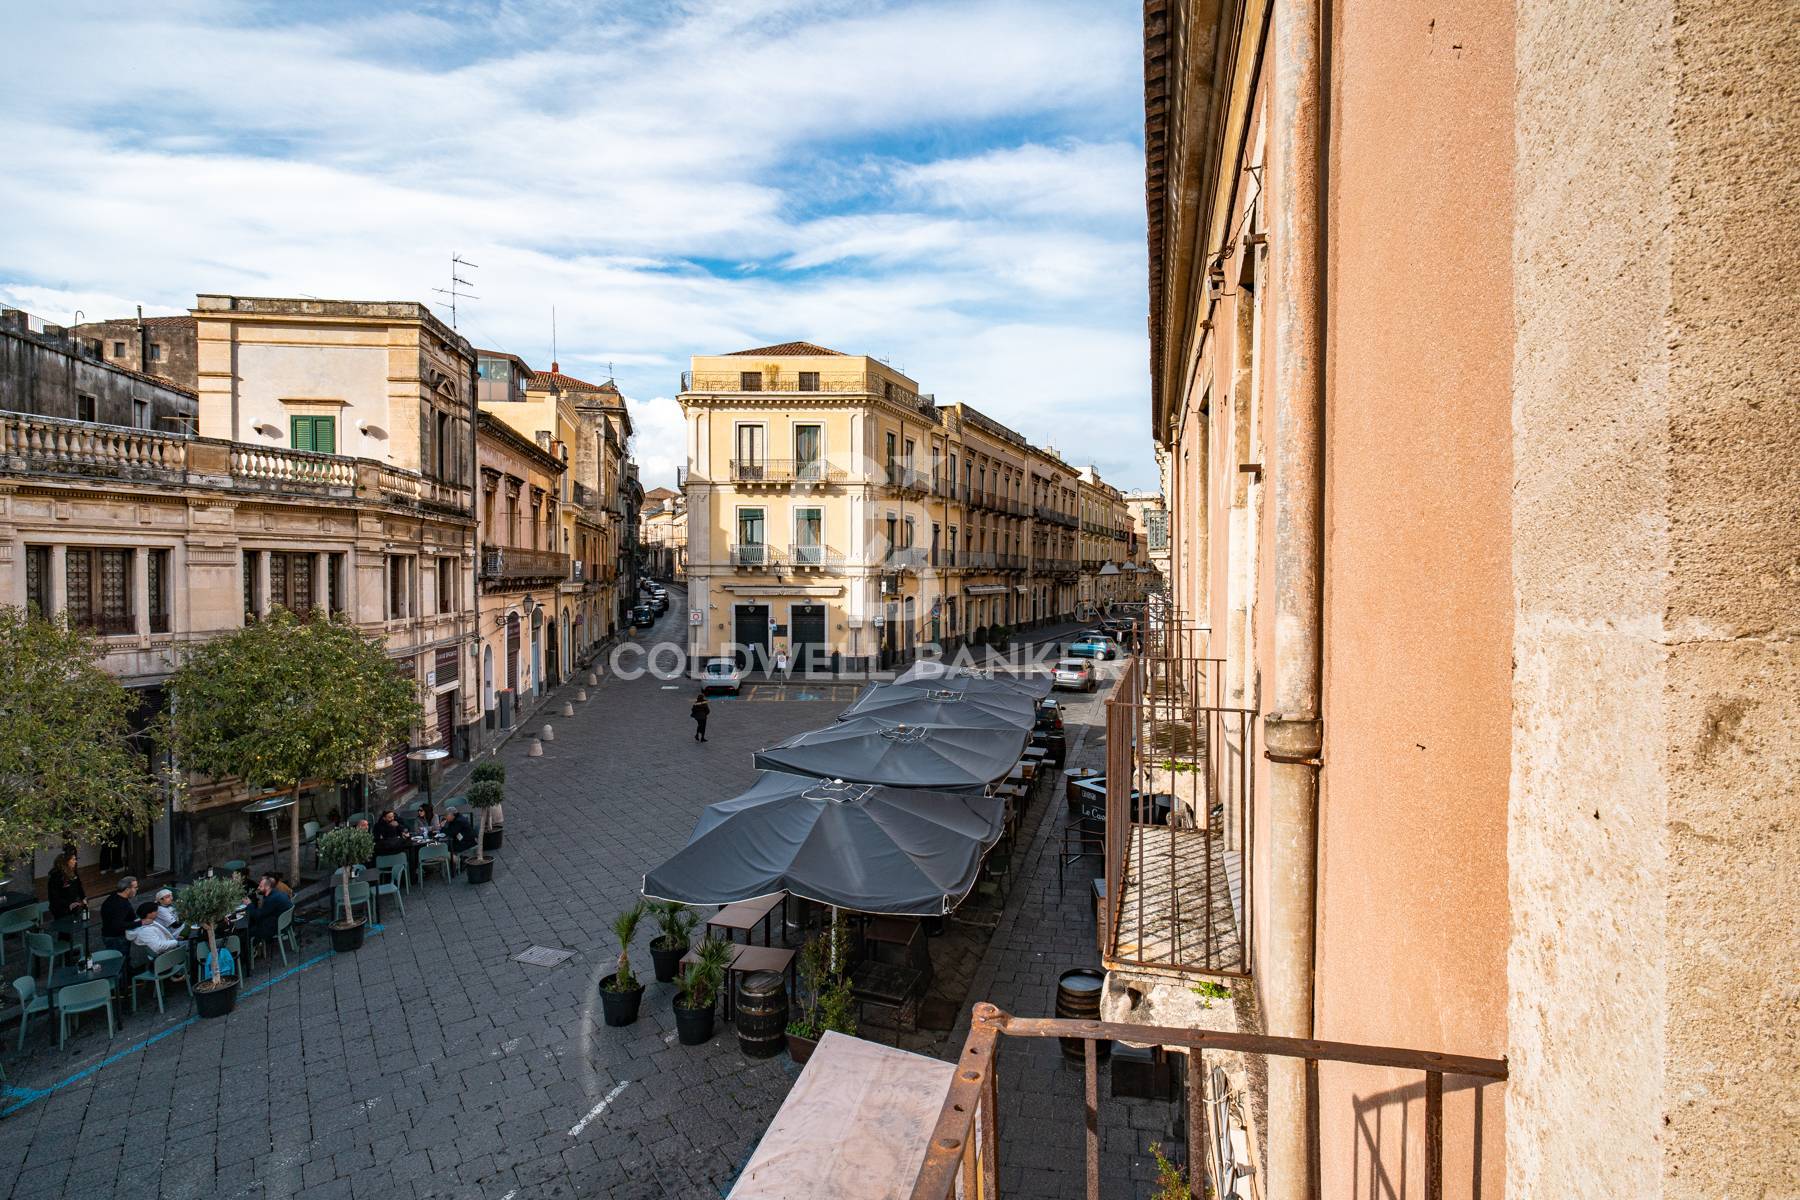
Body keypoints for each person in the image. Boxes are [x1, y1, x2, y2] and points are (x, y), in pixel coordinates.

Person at [243, 874, 292, 950]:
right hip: (285, 923)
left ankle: (248, 956)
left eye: (260, 886)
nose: (258, 888)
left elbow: (258, 915)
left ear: (267, 887)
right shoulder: (277, 893)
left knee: (246, 933)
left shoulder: (271, 899)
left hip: (276, 927)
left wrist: (249, 904)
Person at [100, 876, 138, 955]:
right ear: (127, 889)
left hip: (110, 935)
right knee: (121, 961)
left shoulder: (114, 896)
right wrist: (141, 922)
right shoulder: (121, 904)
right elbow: (118, 925)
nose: (137, 889)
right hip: (116, 938)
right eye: (135, 887)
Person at [46, 847, 86, 917]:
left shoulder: (73, 873)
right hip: (61, 909)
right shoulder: (56, 876)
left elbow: (79, 886)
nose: (75, 861)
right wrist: (68, 904)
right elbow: (54, 896)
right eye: (73, 859)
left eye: (75, 859)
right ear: (66, 862)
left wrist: (83, 898)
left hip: (74, 906)